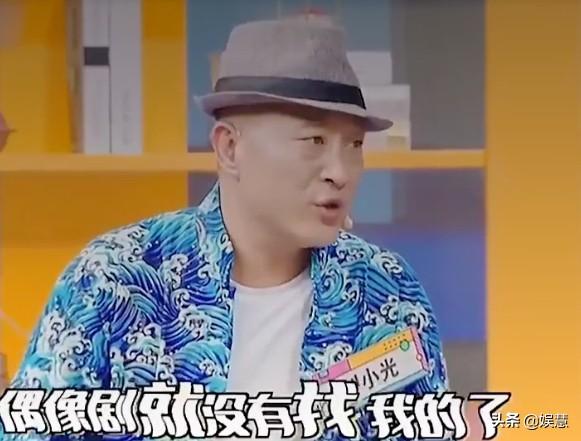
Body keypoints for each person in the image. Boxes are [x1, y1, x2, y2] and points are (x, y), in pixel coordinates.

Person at [4, 16, 452, 441]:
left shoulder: (386, 289)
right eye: (314, 140)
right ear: (230, 148)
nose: (340, 171)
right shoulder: (114, 280)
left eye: (354, 144)